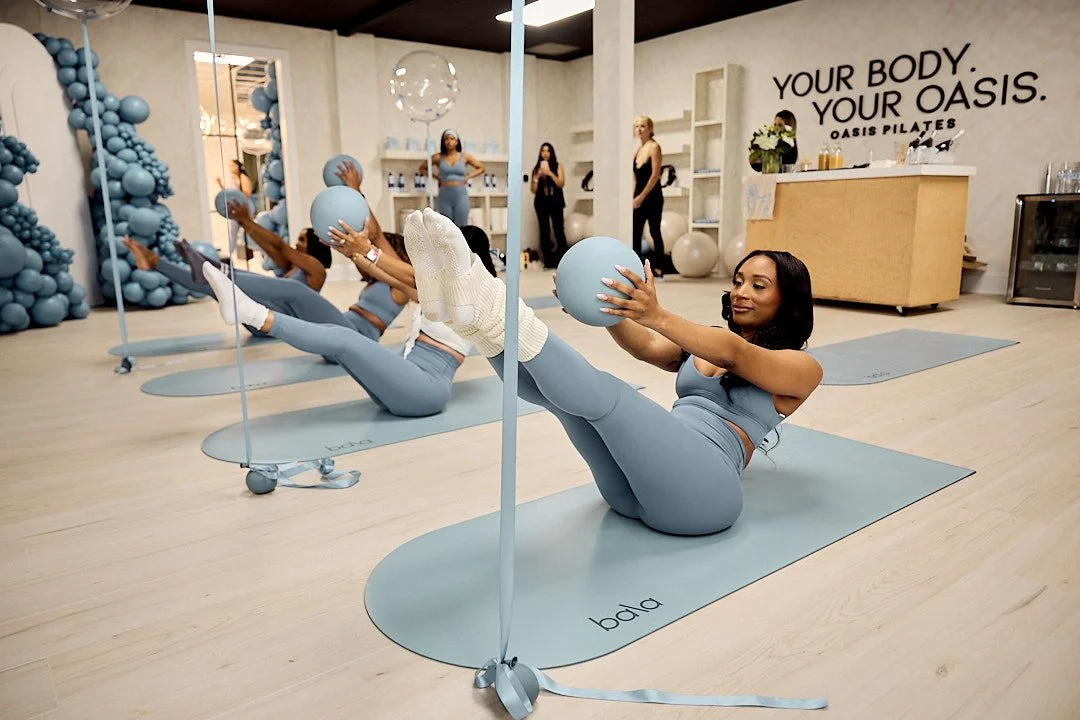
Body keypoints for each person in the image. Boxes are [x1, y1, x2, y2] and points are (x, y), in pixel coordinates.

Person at [404, 209, 823, 536]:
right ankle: (475, 325)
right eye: (738, 280)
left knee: (609, 395)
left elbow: (735, 354)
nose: (741, 292)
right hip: (632, 489)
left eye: (758, 285)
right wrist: (610, 309)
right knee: (564, 404)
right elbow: (645, 347)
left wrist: (655, 313)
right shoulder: (707, 339)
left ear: (788, 300)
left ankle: (498, 311)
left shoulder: (802, 368)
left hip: (705, 494)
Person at [201, 211, 500, 418]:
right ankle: (243, 301)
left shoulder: (471, 291)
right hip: (402, 383)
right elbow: (391, 278)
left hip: (425, 390)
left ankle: (253, 313)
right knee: (344, 347)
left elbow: (410, 277)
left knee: (344, 339)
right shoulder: (438, 292)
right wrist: (353, 253)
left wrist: (369, 250)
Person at [226, 200, 330, 291]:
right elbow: (268, 248)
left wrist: (247, 220)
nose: (297, 243)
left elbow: (280, 245)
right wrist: (244, 224)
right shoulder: (294, 266)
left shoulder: (317, 269)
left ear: (314, 245)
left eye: (302, 240)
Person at [420, 129, 485, 227]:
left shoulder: (465, 156)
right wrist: (436, 177)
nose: (449, 141)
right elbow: (422, 168)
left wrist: (468, 176)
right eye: (446, 139)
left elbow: (481, 168)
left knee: (462, 227)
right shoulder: (438, 157)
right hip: (444, 196)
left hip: (461, 196)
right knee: (446, 226)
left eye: (452, 138)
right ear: (443, 141)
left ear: (457, 141)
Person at [632, 116, 665, 279]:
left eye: (643, 126)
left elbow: (655, 175)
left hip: (652, 197)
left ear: (650, 129)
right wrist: (633, 198)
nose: (639, 129)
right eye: (637, 126)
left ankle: (659, 266)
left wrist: (641, 196)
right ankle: (636, 266)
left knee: (654, 231)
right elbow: (634, 178)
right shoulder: (638, 151)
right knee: (635, 232)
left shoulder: (654, 148)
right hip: (638, 197)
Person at [530, 142, 567, 269]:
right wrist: (537, 177)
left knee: (559, 230)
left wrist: (550, 173)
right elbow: (533, 190)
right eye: (543, 151)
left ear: (552, 152)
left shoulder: (558, 166)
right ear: (540, 153)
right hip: (541, 202)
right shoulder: (536, 169)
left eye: (548, 151)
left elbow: (561, 183)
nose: (545, 153)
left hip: (556, 201)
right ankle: (548, 261)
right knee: (544, 231)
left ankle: (564, 261)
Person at [216, 159, 253, 255]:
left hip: (244, 207)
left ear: (238, 166)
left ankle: (256, 249)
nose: (230, 168)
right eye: (229, 166)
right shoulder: (233, 178)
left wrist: (237, 187)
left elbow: (247, 194)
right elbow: (228, 194)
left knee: (249, 229)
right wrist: (220, 184)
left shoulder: (243, 178)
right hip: (236, 207)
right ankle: (230, 252)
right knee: (233, 230)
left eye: (232, 165)